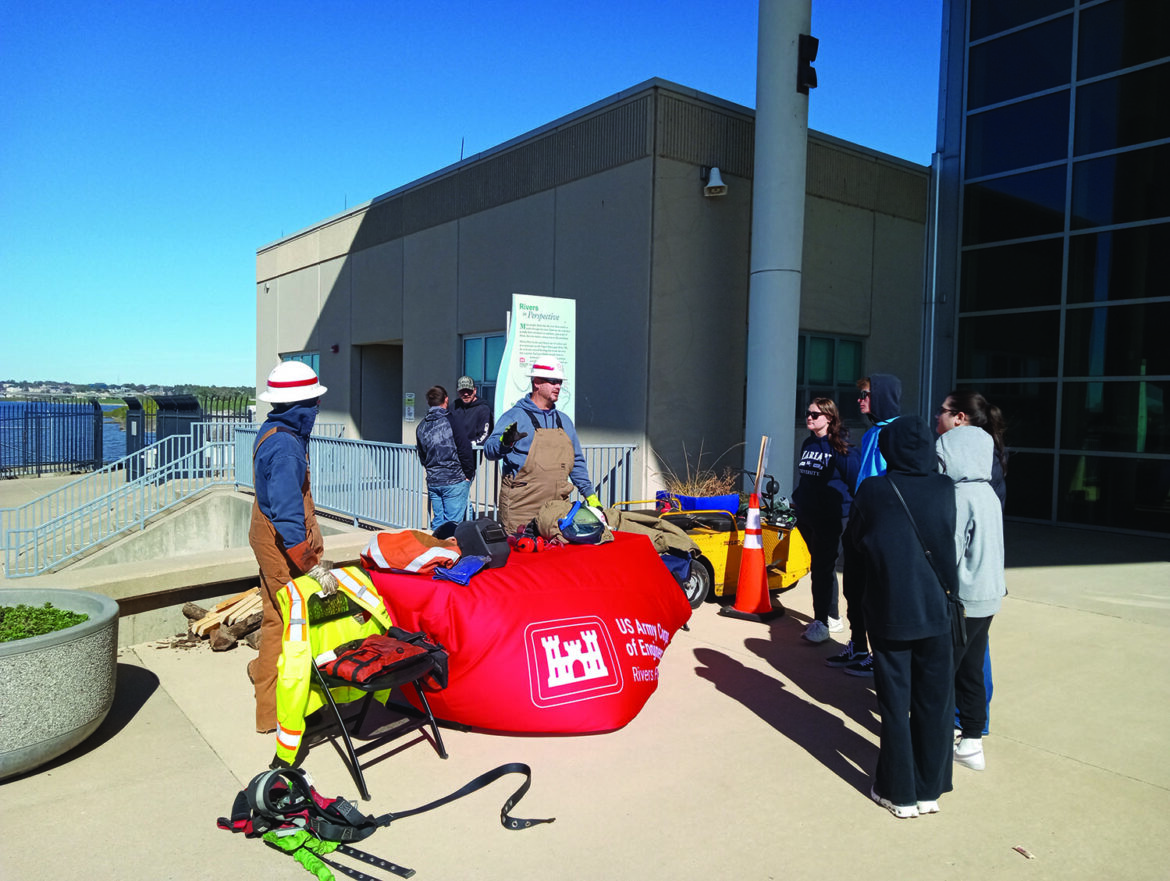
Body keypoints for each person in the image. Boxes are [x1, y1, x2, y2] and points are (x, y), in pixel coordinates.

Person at [847, 415, 957, 818]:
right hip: (937, 610)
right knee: (933, 701)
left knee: (896, 703)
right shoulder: (946, 488)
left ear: (888, 448)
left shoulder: (874, 490)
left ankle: (898, 792)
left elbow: (855, 545)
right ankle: (929, 790)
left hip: (890, 610)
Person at [248, 360, 337, 734]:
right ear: (300, 405)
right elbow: (287, 515)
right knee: (287, 626)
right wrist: (311, 564)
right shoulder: (285, 446)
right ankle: (276, 713)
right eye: (314, 403)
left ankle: (264, 683)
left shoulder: (277, 430)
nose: (317, 410)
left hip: (271, 533)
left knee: (276, 618)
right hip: (281, 541)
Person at [937, 389, 1008, 744]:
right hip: (989, 596)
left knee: (941, 673)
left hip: (963, 601)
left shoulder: (961, 495)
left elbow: (949, 556)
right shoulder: (988, 492)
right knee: (972, 671)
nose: (938, 419)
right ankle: (974, 739)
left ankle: (933, 739)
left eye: (942, 412)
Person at [829, 373, 903, 677]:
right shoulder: (873, 432)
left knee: (876, 595)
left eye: (866, 394)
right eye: (859, 395)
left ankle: (879, 655)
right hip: (860, 521)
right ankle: (858, 645)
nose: (860, 400)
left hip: (880, 525)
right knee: (854, 588)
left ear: (883, 396)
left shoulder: (897, 433)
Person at [483, 355, 600, 534]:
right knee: (523, 558)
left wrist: (589, 494)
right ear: (537, 382)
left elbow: (576, 461)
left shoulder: (564, 421)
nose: (558, 387)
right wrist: (503, 443)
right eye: (553, 381)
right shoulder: (514, 416)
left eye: (560, 382)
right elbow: (489, 451)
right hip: (521, 509)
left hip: (557, 509)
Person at [792, 397, 860, 644]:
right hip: (808, 515)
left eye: (815, 414)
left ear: (829, 418)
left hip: (833, 517)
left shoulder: (842, 447)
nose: (809, 417)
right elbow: (806, 479)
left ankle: (820, 622)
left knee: (822, 567)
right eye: (807, 413)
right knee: (822, 567)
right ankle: (831, 616)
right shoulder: (808, 443)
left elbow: (855, 484)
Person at [416, 385, 475, 531]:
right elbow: (464, 449)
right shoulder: (452, 421)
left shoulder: (421, 426)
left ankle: (436, 550)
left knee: (438, 522)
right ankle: (449, 552)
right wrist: (468, 474)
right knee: (453, 525)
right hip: (454, 479)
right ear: (446, 400)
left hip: (434, 480)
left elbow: (422, 454)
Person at [449, 376, 492, 475]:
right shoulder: (454, 406)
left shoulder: (483, 409)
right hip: (452, 459)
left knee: (462, 487)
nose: (466, 394)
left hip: (470, 459)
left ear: (475, 390)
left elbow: (485, 435)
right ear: (458, 392)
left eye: (469, 391)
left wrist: (466, 445)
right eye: (462, 391)